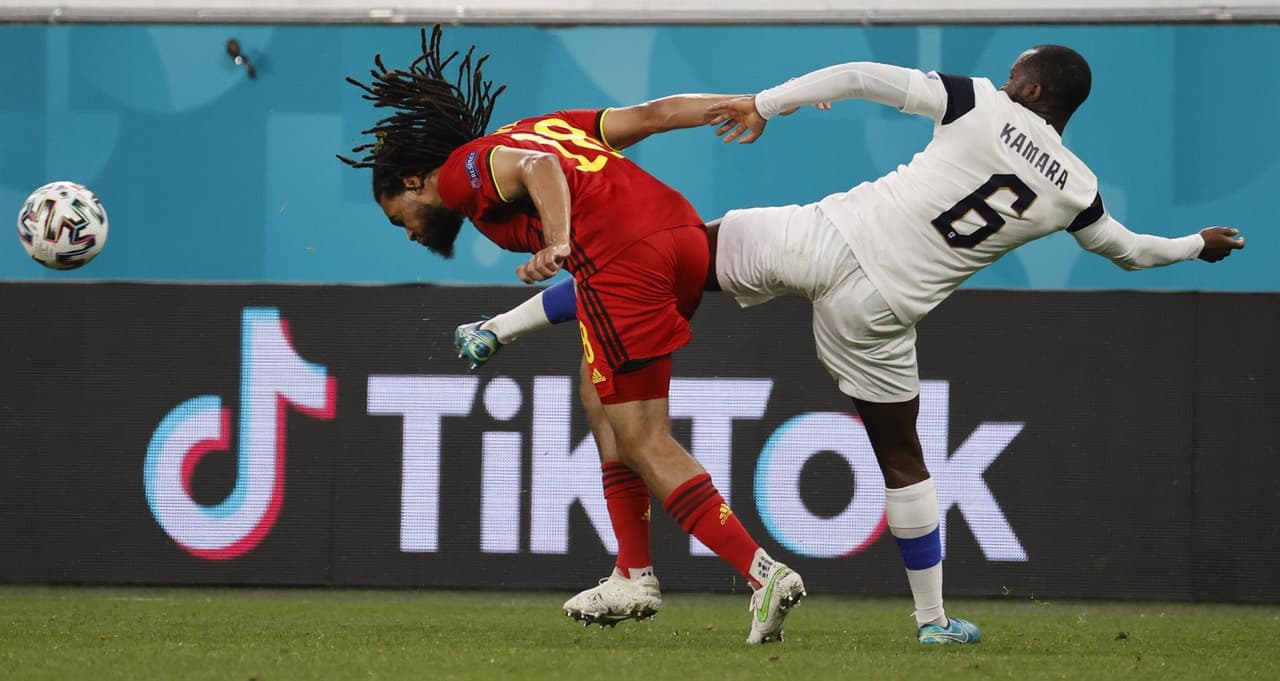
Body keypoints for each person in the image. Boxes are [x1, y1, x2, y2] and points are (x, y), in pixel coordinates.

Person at [453, 44, 1246, 645]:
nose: (1006, 84)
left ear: (1031, 90)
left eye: (1016, 77)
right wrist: (1194, 243)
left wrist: (765, 102)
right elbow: (1133, 250)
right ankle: (933, 620)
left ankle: (500, 326)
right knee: (902, 452)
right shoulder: (1078, 188)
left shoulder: (979, 103)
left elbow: (864, 74)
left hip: (823, 237)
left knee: (661, 254)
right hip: (884, 308)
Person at [339, 26, 806, 645]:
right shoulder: (547, 122)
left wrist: (559, 240)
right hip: (686, 236)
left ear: (413, 183)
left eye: (399, 217)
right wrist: (742, 102)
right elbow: (655, 114)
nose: (410, 233)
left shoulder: (459, 173)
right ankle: (631, 572)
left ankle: (761, 572)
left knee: (643, 439)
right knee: (596, 390)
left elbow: (541, 169)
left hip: (623, 260)